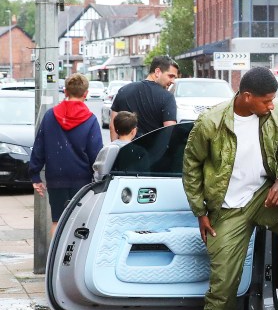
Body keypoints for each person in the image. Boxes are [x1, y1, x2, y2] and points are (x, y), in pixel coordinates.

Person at [182, 67, 278, 310]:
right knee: (223, 286)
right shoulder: (212, 123)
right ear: (246, 97)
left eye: (274, 100)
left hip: (266, 194)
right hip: (227, 209)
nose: (272, 106)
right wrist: (201, 212)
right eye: (266, 101)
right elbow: (190, 166)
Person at [28, 73, 103, 235]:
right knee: (79, 222)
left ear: (65, 92)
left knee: (57, 221)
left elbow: (39, 147)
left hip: (56, 177)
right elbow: (96, 154)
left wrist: (35, 175)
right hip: (82, 179)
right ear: (86, 93)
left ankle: (54, 259)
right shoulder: (90, 120)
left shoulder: (50, 116)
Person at [110, 55, 178, 140]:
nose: (173, 81)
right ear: (157, 72)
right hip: (152, 151)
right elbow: (170, 131)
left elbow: (113, 125)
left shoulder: (123, 91)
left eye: (174, 77)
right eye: (170, 76)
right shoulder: (167, 97)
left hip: (126, 150)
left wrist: (116, 149)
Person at [92, 111, 137, 181]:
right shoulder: (140, 151)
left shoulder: (107, 149)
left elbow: (98, 173)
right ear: (134, 131)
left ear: (116, 130)